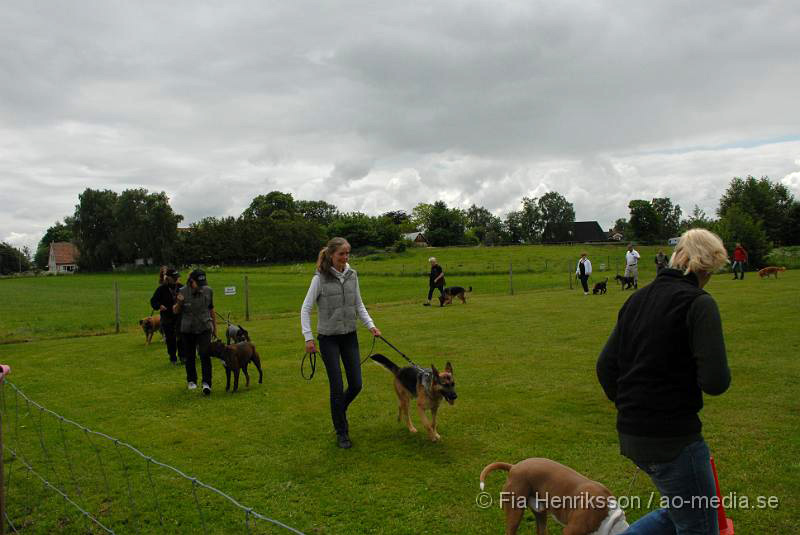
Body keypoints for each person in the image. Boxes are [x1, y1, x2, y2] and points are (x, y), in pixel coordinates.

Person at [597, 229, 731, 534]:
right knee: (700, 524)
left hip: (631, 433)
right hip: (673, 440)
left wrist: (632, 405)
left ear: (677, 255)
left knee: (680, 514)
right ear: (708, 265)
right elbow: (715, 381)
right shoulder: (699, 303)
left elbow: (605, 366)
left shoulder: (637, 298)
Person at [301, 237, 381, 449]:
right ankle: (342, 431)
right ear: (331, 255)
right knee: (336, 386)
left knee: (356, 384)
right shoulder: (320, 279)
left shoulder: (352, 275)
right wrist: (308, 337)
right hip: (328, 338)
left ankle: (338, 410)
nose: (345, 258)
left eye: (347, 254)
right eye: (341, 254)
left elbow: (359, 304)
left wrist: (371, 325)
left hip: (349, 336)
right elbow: (306, 308)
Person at [173, 269, 216, 395]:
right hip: (188, 329)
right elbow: (175, 311)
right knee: (190, 356)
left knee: (204, 354)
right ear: (191, 281)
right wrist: (179, 303)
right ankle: (191, 380)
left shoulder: (208, 290)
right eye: (199, 283)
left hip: (204, 327)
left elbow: (211, 309)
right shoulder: (182, 292)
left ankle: (206, 383)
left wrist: (214, 327)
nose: (202, 286)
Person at [150, 266, 183, 365]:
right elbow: (153, 301)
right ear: (168, 278)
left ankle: (183, 356)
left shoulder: (182, 287)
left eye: (177, 277)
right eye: (175, 277)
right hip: (167, 318)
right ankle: (173, 357)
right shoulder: (161, 289)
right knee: (170, 338)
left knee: (181, 337)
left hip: (179, 317)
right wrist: (159, 306)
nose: (177, 279)